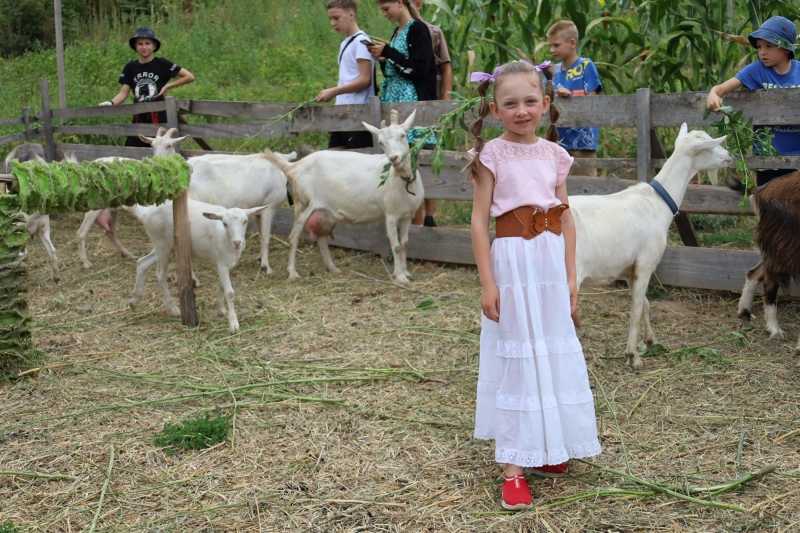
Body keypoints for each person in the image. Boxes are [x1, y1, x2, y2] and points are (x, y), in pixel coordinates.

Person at [465, 60, 601, 511]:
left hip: (548, 264)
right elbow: (480, 223)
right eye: (510, 103)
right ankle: (514, 467)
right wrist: (488, 282)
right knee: (520, 356)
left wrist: (570, 277)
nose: (521, 111)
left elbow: (565, 218)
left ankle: (546, 448)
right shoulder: (492, 156)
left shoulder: (556, 155)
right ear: (494, 108)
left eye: (529, 101)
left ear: (545, 103)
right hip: (513, 264)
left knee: (551, 349)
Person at [707, 16, 800, 186]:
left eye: (769, 46)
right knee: (769, 206)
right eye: (759, 47)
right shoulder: (756, 71)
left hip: (797, 154)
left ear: (786, 48)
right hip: (766, 156)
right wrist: (713, 94)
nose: (762, 52)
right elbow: (720, 89)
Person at [98, 27, 194, 148]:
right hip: (139, 116)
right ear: (136, 47)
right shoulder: (130, 67)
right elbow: (123, 93)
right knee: (132, 150)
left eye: (147, 43)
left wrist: (167, 86)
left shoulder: (162, 64)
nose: (144, 47)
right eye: (140, 44)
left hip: (159, 117)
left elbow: (189, 76)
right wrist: (110, 103)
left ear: (154, 46)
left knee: (161, 151)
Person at [367, 0, 438, 153]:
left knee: (415, 150)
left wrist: (388, 52)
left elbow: (419, 70)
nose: (384, 14)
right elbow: (398, 67)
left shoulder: (418, 29)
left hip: (410, 100)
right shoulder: (397, 32)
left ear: (399, 2)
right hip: (394, 99)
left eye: (386, 9)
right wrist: (384, 60)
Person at [410, 0, 453, 227]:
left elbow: (445, 66)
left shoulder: (434, 32)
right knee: (414, 161)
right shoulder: (402, 33)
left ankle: (429, 215)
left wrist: (445, 100)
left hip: (432, 101)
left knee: (429, 156)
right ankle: (416, 217)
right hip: (412, 103)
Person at [316, 0, 376, 150]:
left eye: (336, 18)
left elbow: (365, 79)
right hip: (343, 114)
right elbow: (344, 79)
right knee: (333, 162)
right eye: (330, 19)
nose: (333, 23)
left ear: (351, 15)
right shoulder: (345, 43)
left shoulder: (361, 42)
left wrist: (334, 91)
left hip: (358, 114)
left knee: (356, 164)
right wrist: (335, 115)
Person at [547, 20, 602, 177]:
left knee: (585, 189)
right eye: (550, 46)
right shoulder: (552, 71)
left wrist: (570, 97)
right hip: (557, 144)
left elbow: (592, 101)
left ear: (572, 43)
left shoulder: (586, 66)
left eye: (556, 45)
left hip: (583, 145)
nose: (552, 50)